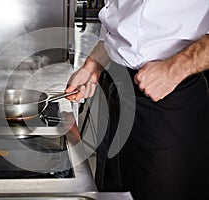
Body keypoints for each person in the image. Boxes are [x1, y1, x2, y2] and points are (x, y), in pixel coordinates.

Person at [65, 1, 209, 200]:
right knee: (111, 192)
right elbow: (122, 21)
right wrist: (93, 65)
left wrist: (175, 69)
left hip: (168, 98)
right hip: (117, 92)